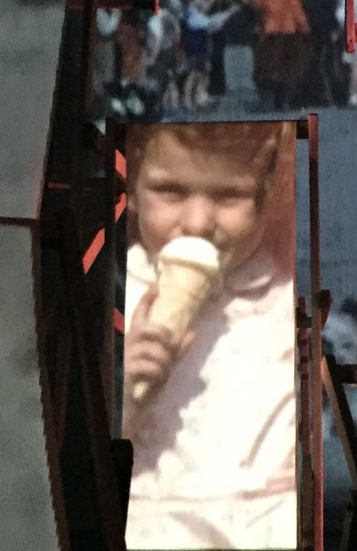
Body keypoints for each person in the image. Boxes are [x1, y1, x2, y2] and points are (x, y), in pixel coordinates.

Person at [121, 122, 299, 549]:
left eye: (228, 196)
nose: (198, 223)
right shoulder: (111, 294)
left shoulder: (286, 301)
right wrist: (125, 395)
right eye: (170, 191)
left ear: (267, 197)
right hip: (150, 529)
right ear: (132, 188)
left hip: (267, 530)